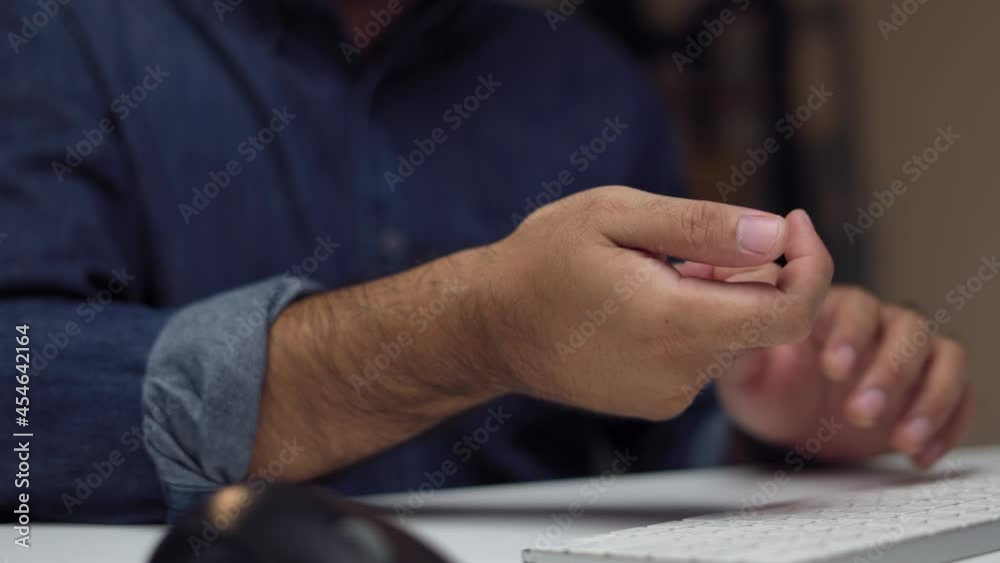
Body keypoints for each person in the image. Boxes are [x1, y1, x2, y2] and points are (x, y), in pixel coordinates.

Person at [0, 0, 971, 524]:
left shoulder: (585, 84)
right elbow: (23, 403)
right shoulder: (59, 31)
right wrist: (476, 329)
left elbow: (646, 456)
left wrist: (765, 413)